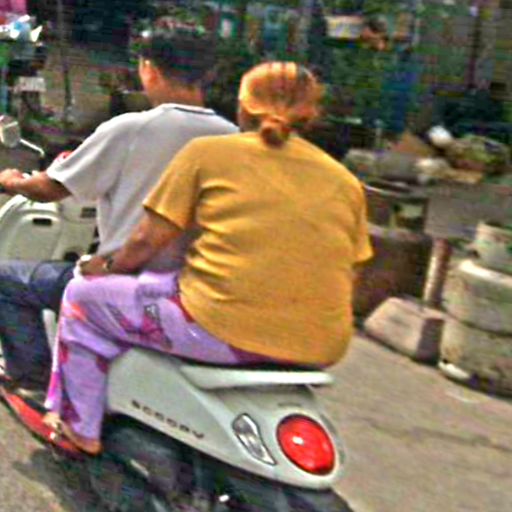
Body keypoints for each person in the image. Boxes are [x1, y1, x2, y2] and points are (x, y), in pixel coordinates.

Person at [43, 61, 373, 455]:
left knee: (82, 296)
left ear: (242, 106)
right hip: (322, 343)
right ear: (312, 113)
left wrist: (106, 267)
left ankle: (78, 426)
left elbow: (146, 240)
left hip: (218, 327)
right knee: (163, 287)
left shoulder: (208, 154)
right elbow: (356, 269)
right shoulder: (344, 181)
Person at [0, 23, 237, 391]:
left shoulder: (131, 129)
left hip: (126, 282)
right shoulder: (234, 139)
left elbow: (50, 188)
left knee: (6, 280)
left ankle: (35, 380)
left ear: (149, 69)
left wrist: (10, 181)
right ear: (209, 74)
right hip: (195, 290)